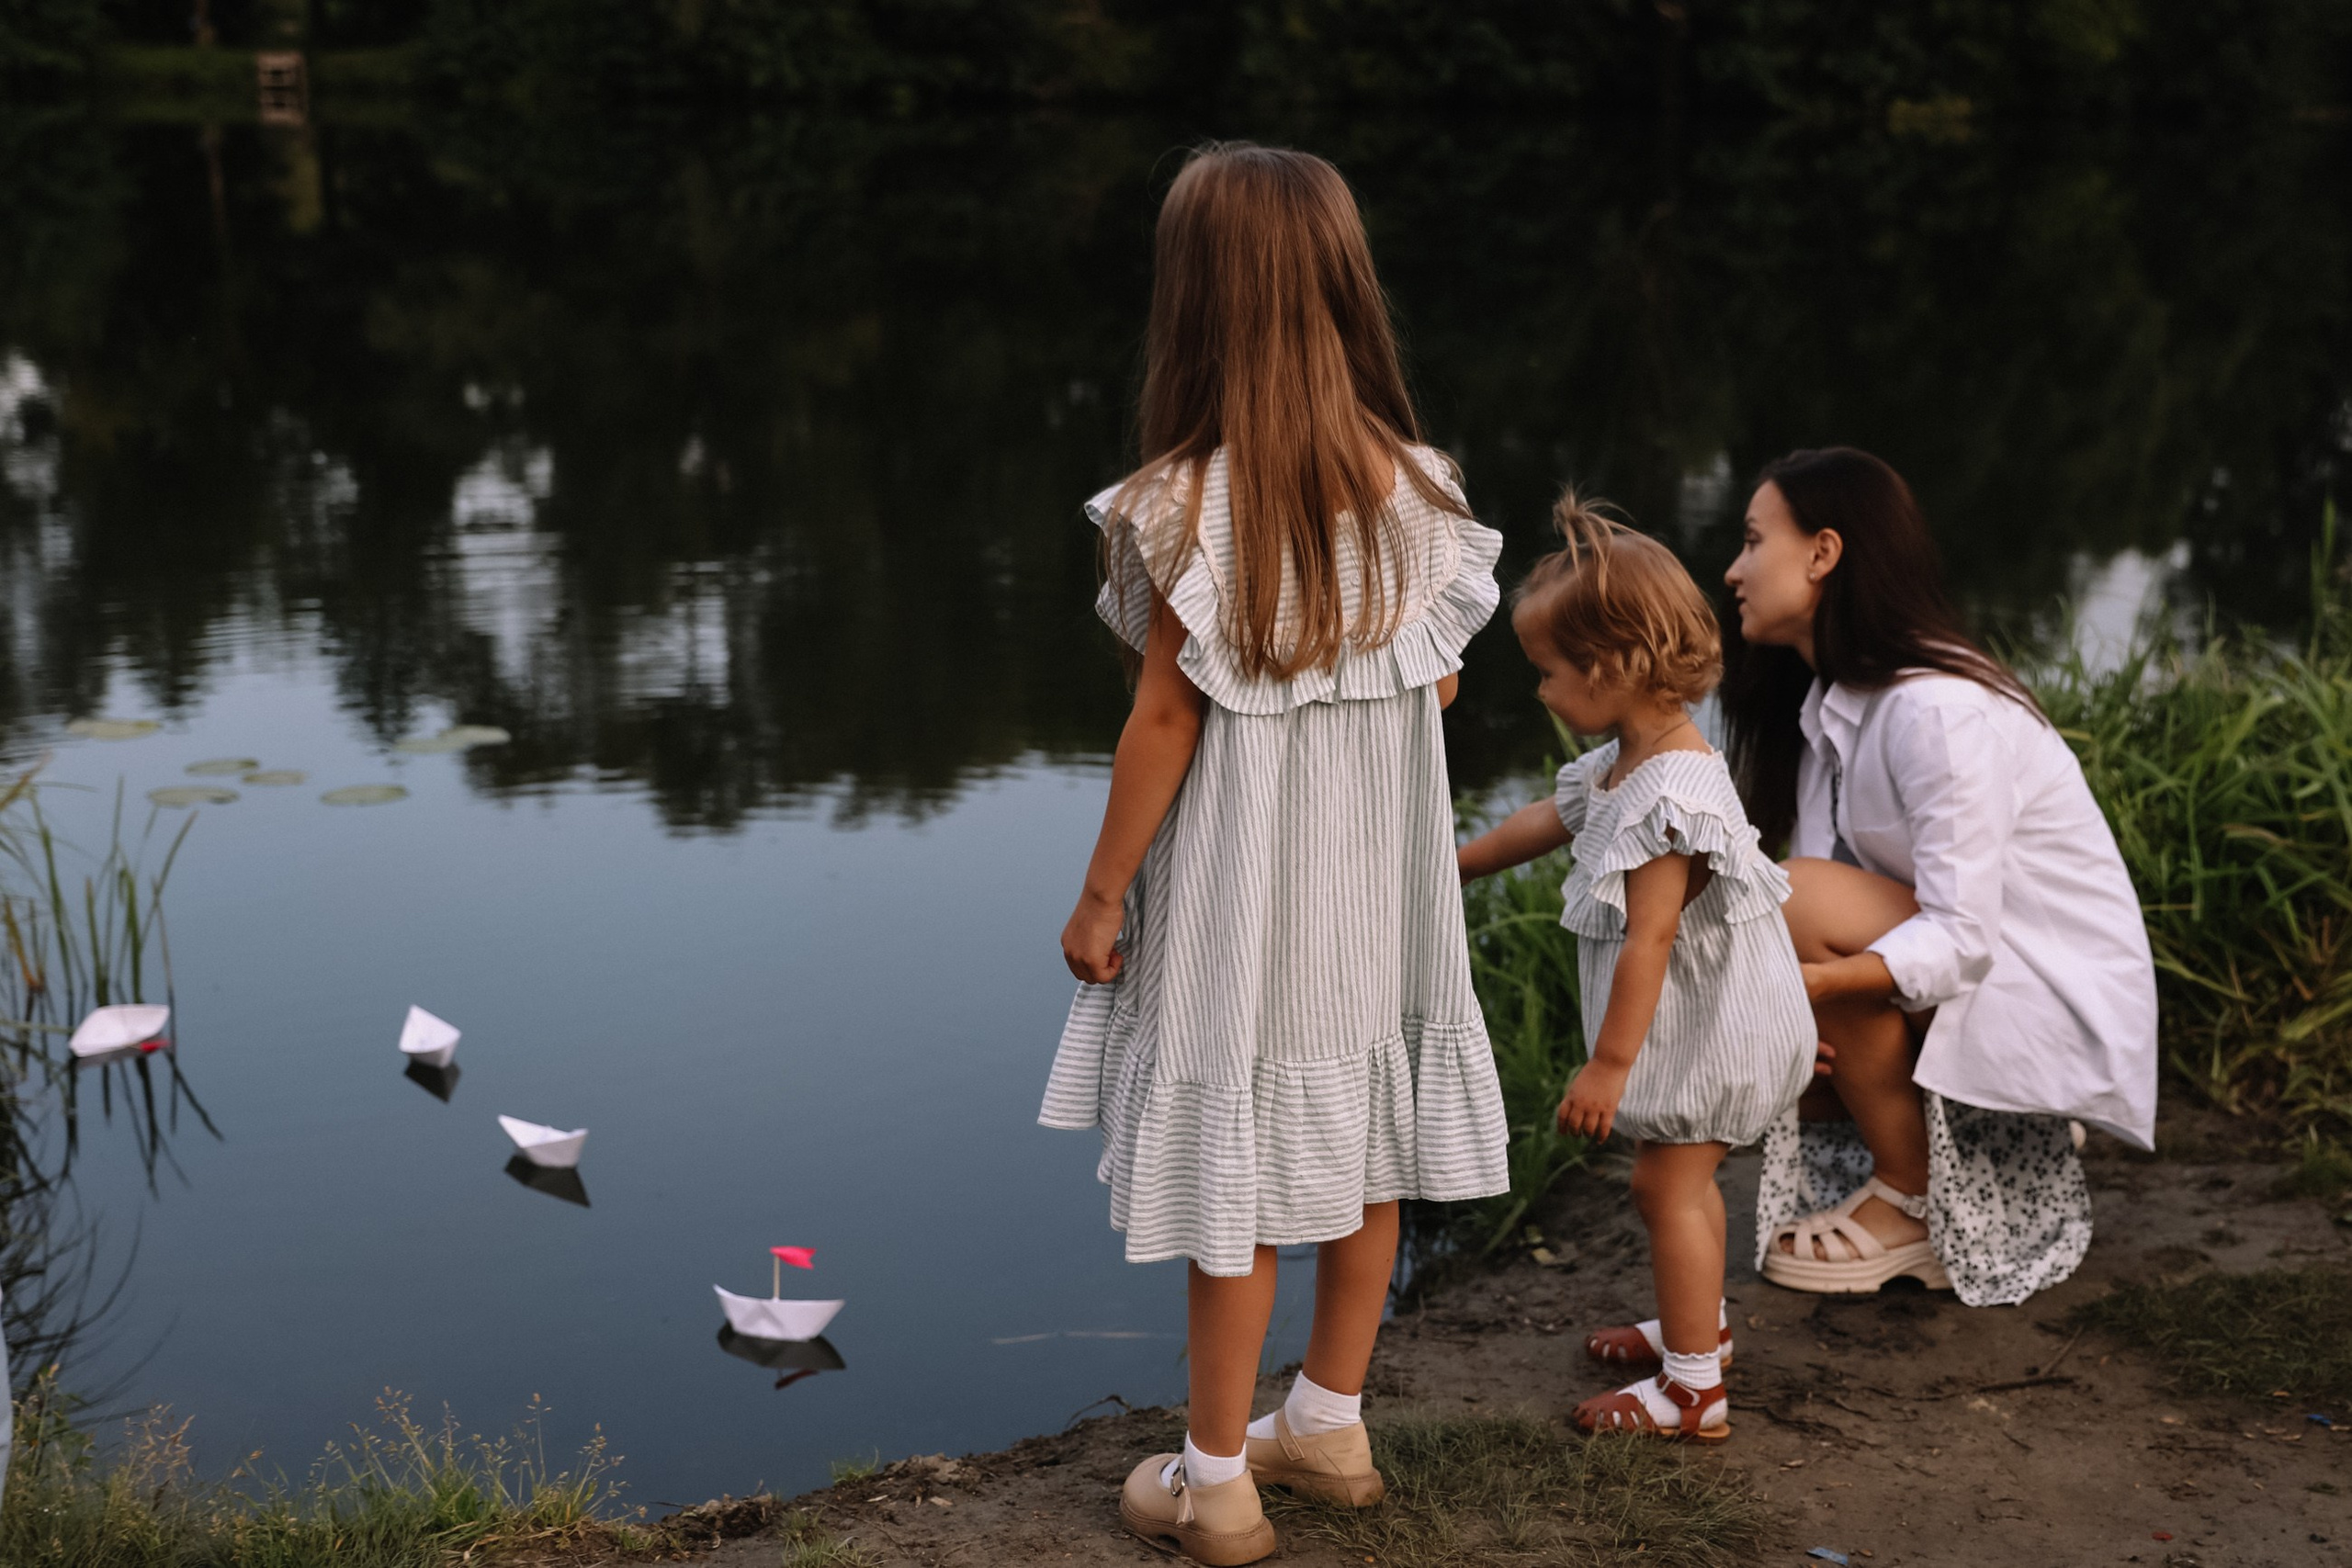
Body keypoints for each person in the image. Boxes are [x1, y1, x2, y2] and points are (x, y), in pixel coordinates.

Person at [1037, 142, 1510, 1566]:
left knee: (1230, 1175)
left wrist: (1101, 887)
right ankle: (1332, 1420)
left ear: (1195, 299)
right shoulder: (1423, 489)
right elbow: (1433, 691)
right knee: (1367, 1143)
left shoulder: (1179, 506)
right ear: (1343, 291)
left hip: (1248, 901)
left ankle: (1216, 1476)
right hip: (1375, 904)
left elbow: (1165, 717)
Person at [1722, 446, 2158, 1305]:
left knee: (1794, 906)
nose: (1733, 570)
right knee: (1777, 945)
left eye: (1751, 540)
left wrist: (1813, 984)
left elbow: (1958, 933)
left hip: (2045, 992)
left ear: (1823, 553)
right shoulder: (1831, 709)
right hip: (1978, 974)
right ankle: (1951, 1149)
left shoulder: (1936, 710)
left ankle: (1915, 1204)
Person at [1458, 496, 1814, 1441]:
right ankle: (1699, 1332)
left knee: (1664, 1188)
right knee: (1674, 1187)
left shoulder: (1672, 796)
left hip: (1720, 1031)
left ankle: (1694, 1391)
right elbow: (1546, 819)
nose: (1538, 691)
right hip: (1708, 1022)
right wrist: (1443, 868)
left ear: (1608, 667)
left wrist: (1607, 1068)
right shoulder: (1626, 760)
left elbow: (1651, 937)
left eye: (1545, 673)